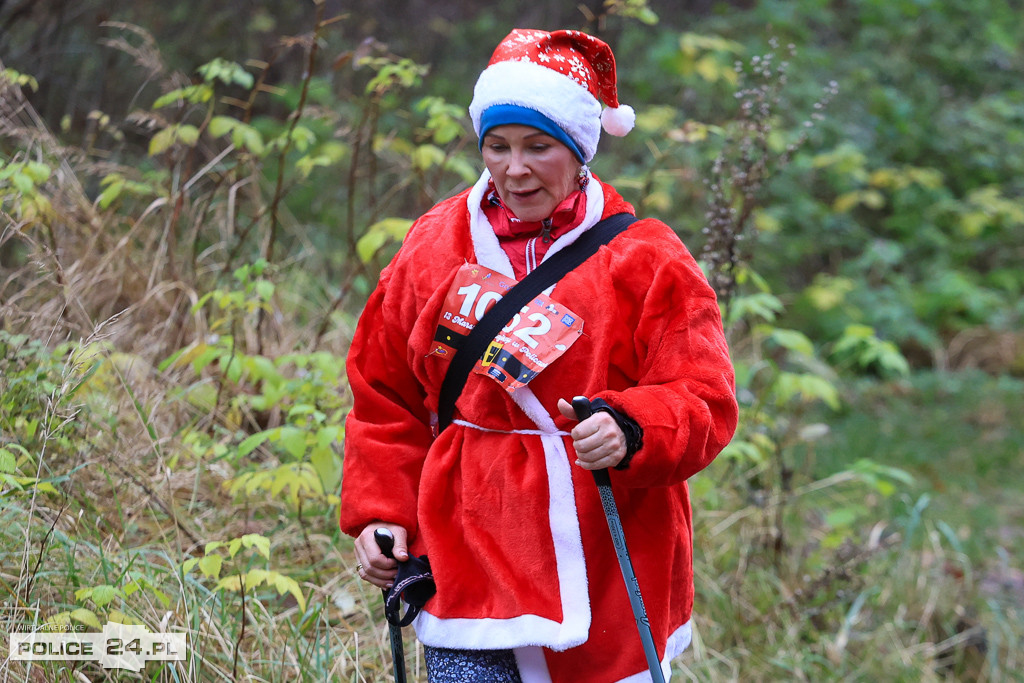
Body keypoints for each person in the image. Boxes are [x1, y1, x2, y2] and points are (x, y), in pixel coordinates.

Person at [340, 28, 738, 683]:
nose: (513, 168)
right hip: (465, 545)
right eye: (496, 146)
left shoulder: (645, 257)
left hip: (604, 547)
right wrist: (382, 512)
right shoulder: (435, 246)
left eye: (538, 146)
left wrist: (631, 424)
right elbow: (384, 394)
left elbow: (705, 395)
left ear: (580, 151)